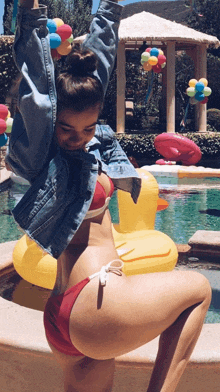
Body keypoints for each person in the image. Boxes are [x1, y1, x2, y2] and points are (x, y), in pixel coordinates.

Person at [6, 0, 211, 391]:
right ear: (53, 125)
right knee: (199, 291)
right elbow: (39, 97)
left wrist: (109, 11)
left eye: (86, 129)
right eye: (66, 129)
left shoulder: (93, 145)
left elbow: (95, 73)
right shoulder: (45, 157)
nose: (77, 139)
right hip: (93, 303)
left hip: (65, 311)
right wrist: (31, 18)